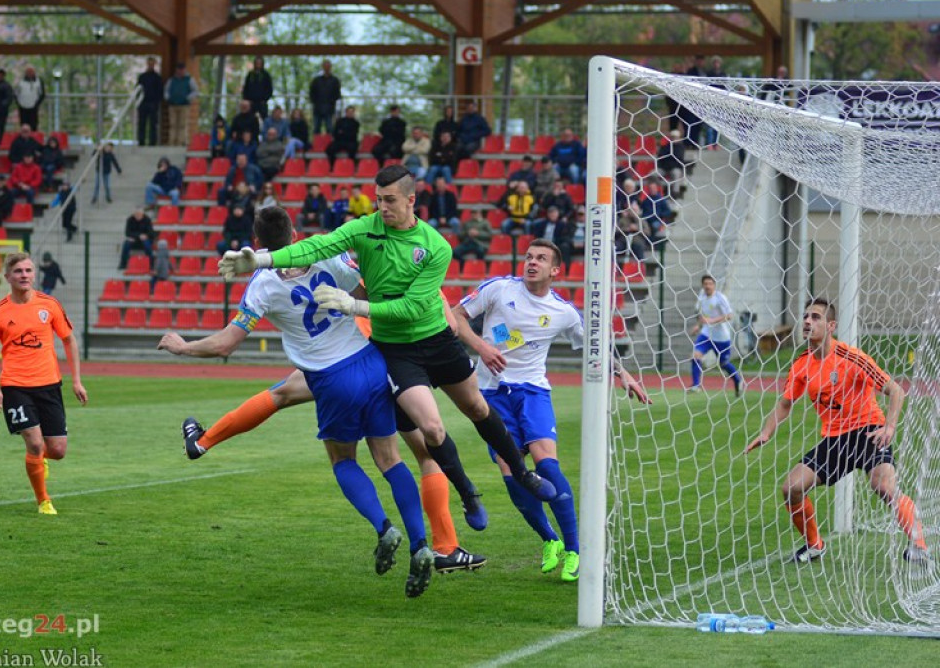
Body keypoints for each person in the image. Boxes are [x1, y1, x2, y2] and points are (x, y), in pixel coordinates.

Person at [218, 165, 561, 528]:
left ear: (411, 200)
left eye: (391, 200)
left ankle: (523, 473)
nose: (382, 207)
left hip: (436, 339)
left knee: (476, 407)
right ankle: (468, 493)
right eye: (379, 199)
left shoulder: (435, 247)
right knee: (432, 429)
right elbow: (316, 246)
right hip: (396, 351)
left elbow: (410, 307)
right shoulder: (365, 228)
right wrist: (261, 259)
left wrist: (356, 306)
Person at [161, 206, 434, 597]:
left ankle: (383, 527)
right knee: (391, 459)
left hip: (331, 378)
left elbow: (227, 343)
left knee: (342, 460)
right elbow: (366, 292)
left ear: (257, 245)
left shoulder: (262, 285)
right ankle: (420, 543)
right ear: (294, 233)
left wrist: (183, 347)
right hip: (370, 362)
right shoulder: (328, 253)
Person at [453, 239, 650, 581]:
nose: (532, 262)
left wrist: (625, 375)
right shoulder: (499, 289)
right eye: (529, 256)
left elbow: (596, 345)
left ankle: (575, 550)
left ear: (555, 270)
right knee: (514, 476)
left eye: (541, 258)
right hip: (491, 394)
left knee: (547, 465)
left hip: (533, 392)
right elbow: (456, 315)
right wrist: (483, 348)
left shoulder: (564, 312)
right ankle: (550, 540)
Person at [746, 297, 929, 565]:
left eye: (816, 317)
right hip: (834, 439)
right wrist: (766, 432)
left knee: (884, 487)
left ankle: (920, 547)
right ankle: (814, 545)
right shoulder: (801, 364)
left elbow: (896, 390)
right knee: (792, 487)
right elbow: (785, 403)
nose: (808, 321)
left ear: (831, 325)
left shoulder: (852, 357)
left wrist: (889, 427)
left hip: (869, 431)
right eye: (806, 317)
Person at [0, 252, 88, 515]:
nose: (24, 275)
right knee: (35, 444)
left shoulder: (49, 305)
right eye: (18, 271)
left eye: (28, 270)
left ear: (34, 274)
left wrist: (77, 381)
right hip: (15, 387)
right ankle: (44, 501)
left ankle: (38, 462)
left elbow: (69, 340)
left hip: (49, 385)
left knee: (58, 450)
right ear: (8, 277)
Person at [688, 275, 742, 395]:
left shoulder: (720, 298)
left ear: (714, 285)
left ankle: (737, 380)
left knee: (724, 363)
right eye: (705, 284)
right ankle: (696, 385)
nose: (708, 286)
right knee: (695, 355)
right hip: (706, 334)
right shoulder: (701, 298)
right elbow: (702, 317)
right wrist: (698, 326)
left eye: (710, 284)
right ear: (703, 285)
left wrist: (712, 320)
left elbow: (729, 315)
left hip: (721, 337)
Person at [165, 62, 199, 147]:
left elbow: (195, 91)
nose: (180, 71)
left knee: (182, 125)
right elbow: (166, 90)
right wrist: (168, 98)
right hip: (173, 105)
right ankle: (172, 142)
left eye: (182, 69)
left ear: (184, 70)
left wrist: (188, 98)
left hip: (184, 105)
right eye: (179, 69)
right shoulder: (172, 80)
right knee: (173, 124)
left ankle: (181, 142)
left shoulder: (189, 79)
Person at [136, 57, 164, 146]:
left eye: (152, 63)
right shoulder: (142, 77)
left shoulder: (157, 78)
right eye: (149, 63)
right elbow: (138, 89)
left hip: (153, 103)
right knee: (142, 123)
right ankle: (141, 142)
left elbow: (160, 91)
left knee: (153, 124)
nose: (150, 65)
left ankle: (152, 142)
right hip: (143, 103)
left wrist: (156, 102)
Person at [309, 59, 342, 135]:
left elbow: (337, 94)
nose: (327, 68)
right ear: (322, 67)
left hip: (329, 109)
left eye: (328, 66)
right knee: (316, 128)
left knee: (330, 128)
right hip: (317, 108)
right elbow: (311, 93)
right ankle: (316, 144)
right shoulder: (316, 80)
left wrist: (331, 102)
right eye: (325, 66)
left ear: (330, 67)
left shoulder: (335, 80)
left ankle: (330, 145)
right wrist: (315, 102)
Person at [241, 56, 274, 120]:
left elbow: (269, 89)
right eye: (257, 63)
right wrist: (246, 99)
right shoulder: (250, 75)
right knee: (249, 118)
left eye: (260, 63)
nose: (258, 64)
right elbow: (245, 88)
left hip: (262, 102)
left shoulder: (266, 75)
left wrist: (265, 99)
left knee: (264, 118)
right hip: (250, 102)